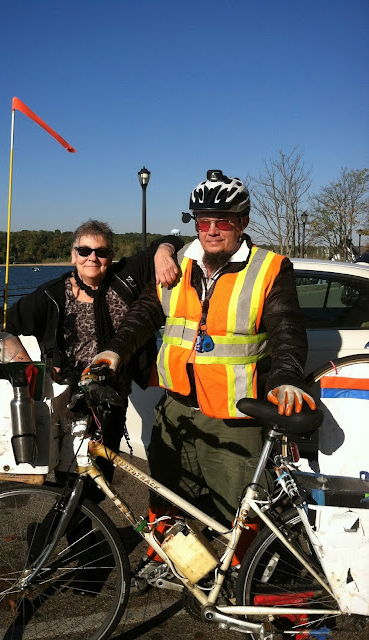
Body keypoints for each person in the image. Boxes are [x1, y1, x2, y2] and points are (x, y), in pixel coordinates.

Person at [87, 169, 316, 577]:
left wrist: (285, 378)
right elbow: (145, 313)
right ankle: (172, 564)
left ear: (242, 222)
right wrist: (115, 349)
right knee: (167, 494)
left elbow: (287, 332)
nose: (211, 230)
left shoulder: (269, 268)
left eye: (222, 222)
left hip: (235, 415)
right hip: (176, 407)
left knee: (243, 509)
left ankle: (255, 581)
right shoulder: (179, 264)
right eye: (203, 220)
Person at [5, 219, 183, 486]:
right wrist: (33, 371)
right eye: (84, 251)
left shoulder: (125, 277)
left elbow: (172, 241)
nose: (92, 258)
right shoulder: (53, 294)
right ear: (73, 255)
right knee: (70, 478)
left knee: (100, 479)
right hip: (68, 401)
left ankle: (90, 511)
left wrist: (163, 252)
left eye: (101, 252)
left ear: (111, 256)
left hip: (113, 397)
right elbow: (5, 328)